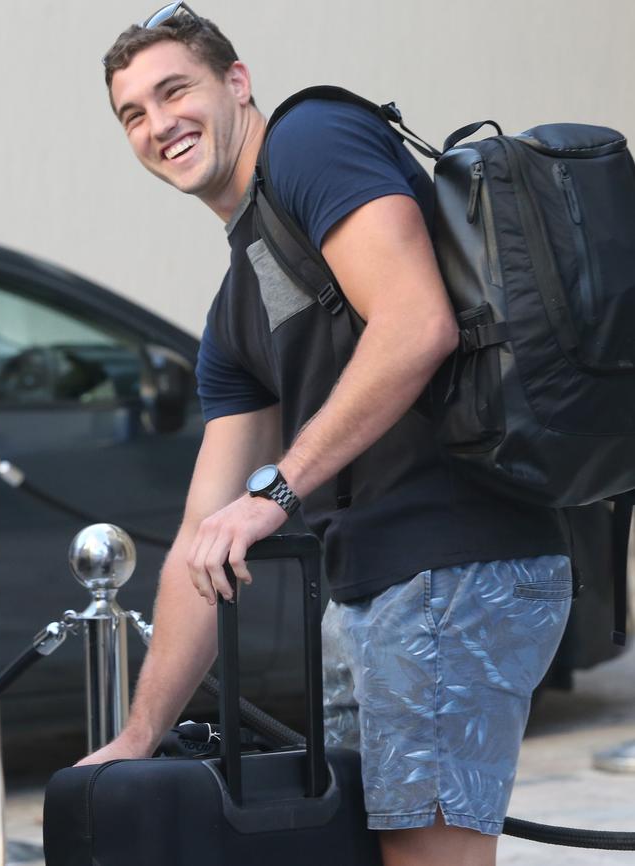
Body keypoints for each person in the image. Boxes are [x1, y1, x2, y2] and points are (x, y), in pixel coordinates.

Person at [79, 5, 573, 864]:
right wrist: (138, 736)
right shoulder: (234, 313)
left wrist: (275, 492)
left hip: (453, 565)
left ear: (236, 83)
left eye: (174, 91)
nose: (159, 124)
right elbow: (205, 534)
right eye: (133, 113)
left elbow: (418, 324)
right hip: (371, 594)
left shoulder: (311, 140)